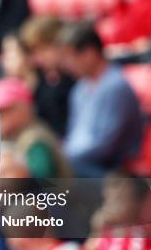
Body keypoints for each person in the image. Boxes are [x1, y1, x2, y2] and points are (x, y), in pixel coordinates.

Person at [60, 23, 143, 178]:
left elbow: (107, 145)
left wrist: (65, 158)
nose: (68, 65)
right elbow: (74, 136)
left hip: (114, 170)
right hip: (82, 164)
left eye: (72, 57)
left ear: (90, 53)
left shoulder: (115, 86)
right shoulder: (79, 90)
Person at [0, 78, 71, 178]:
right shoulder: (10, 137)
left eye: (4, 111)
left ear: (24, 110)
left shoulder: (34, 139)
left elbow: (42, 180)